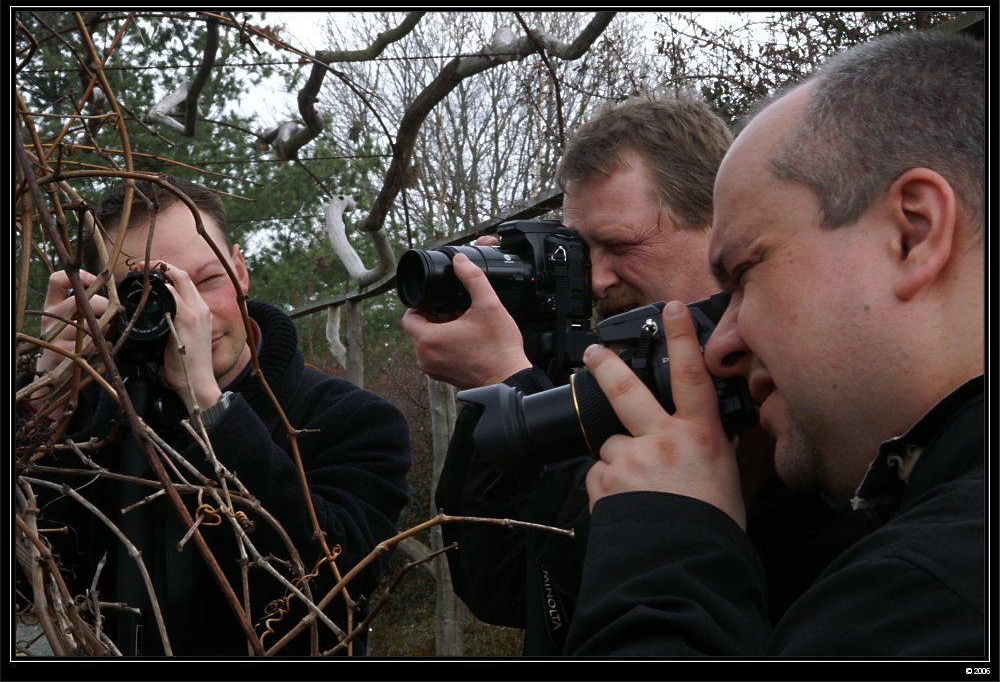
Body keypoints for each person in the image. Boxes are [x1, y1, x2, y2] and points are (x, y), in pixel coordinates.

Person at [565, 29, 984, 656]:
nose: (719, 345)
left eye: (741, 274)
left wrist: (668, 542)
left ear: (913, 233)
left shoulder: (929, 597)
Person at [403, 98, 862, 654]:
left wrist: (510, 378)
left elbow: (641, 587)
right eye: (577, 253)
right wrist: (523, 366)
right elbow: (498, 590)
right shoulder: (616, 381)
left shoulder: (798, 403)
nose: (595, 281)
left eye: (620, 246)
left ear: (720, 229)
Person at [17, 177, 411, 656]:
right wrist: (40, 413)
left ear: (240, 269)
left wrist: (211, 409)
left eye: (206, 280)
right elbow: (25, 587)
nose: (193, 311)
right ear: (100, 300)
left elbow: (334, 593)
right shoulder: (87, 419)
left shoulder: (354, 420)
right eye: (149, 294)